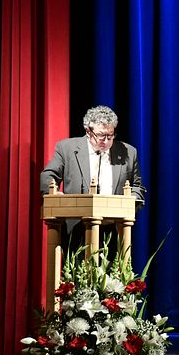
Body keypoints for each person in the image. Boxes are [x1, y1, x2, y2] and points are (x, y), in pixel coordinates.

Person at [40, 105, 146, 252]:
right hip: (77, 229)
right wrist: (54, 194)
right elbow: (48, 175)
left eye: (110, 136)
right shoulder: (67, 149)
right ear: (88, 131)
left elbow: (138, 186)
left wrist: (130, 200)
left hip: (114, 230)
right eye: (101, 135)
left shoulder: (128, 152)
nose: (106, 141)